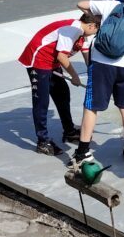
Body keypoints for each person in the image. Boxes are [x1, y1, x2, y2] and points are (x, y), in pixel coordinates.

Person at [71, 0, 124, 166]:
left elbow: (81, 3)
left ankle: (83, 151)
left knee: (91, 107)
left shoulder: (112, 5)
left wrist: (98, 19)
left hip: (101, 64)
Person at [18, 13, 100, 155]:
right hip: (39, 60)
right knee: (41, 101)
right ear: (91, 25)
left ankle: (69, 131)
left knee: (62, 94)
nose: (95, 33)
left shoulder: (83, 34)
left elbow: (87, 57)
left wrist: (95, 78)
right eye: (96, 30)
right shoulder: (73, 30)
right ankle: (42, 142)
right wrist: (74, 76)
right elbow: (62, 56)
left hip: (52, 61)